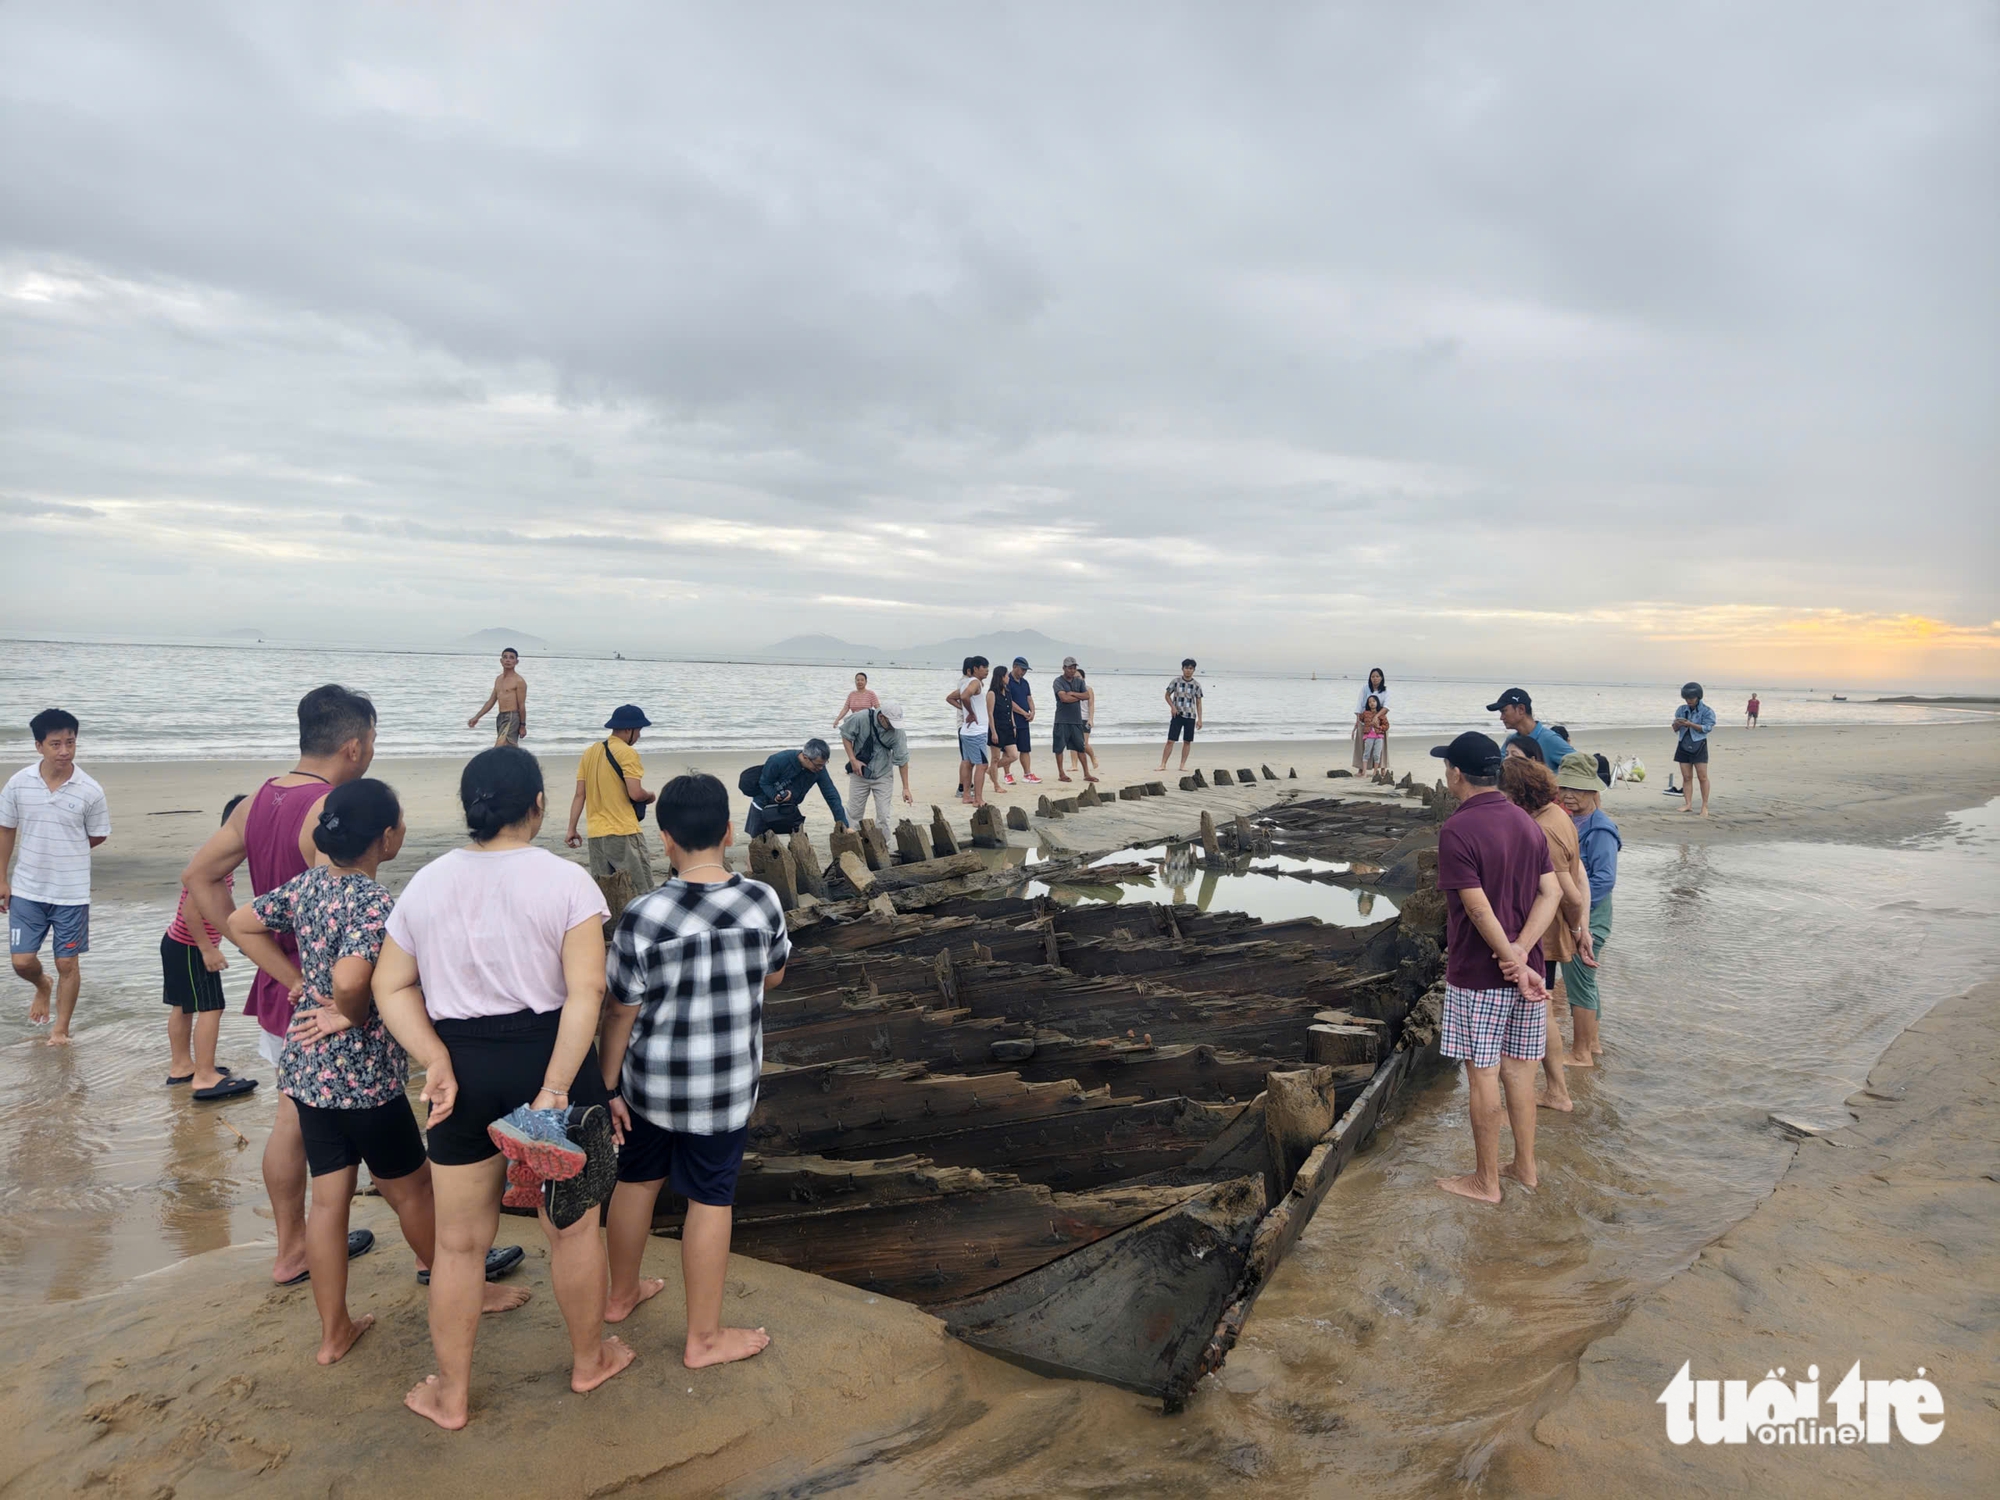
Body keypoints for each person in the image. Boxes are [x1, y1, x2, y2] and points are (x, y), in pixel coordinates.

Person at [227, 779, 529, 1365]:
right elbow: (349, 979)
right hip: (361, 1077)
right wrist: (347, 1012)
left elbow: (241, 923)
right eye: (401, 822)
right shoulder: (373, 905)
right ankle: (470, 1286)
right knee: (411, 1187)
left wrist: (292, 982)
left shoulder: (310, 885)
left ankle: (333, 1332)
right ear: (386, 839)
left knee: (329, 1200)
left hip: (307, 1071)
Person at [373, 747, 631, 1430]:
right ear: (538, 807)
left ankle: (452, 1396)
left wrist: (434, 1059)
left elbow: (389, 985)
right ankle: (589, 1361)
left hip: (461, 1068)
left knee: (459, 1244)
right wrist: (552, 1089)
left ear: (470, 809)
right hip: (553, 1061)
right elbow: (587, 992)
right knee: (573, 1232)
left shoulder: (425, 883)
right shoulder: (566, 881)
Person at [183, 684, 379, 1285]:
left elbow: (200, 877)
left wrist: (266, 962)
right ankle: (304, 1250)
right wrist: (303, 977)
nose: (371, 751)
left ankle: (296, 1243)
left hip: (282, 991)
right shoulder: (332, 808)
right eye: (371, 740)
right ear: (352, 746)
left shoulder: (259, 798)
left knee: (291, 1114)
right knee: (316, 1120)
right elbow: (342, 907)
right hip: (322, 996)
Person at [600, 773, 790, 1367]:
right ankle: (703, 1338)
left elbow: (619, 1012)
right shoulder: (762, 900)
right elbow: (775, 974)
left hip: (650, 1084)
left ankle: (620, 1293)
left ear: (665, 841)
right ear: (729, 832)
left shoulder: (642, 914)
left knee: (636, 1182)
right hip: (724, 1088)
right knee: (710, 1197)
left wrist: (608, 1086)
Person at [1428, 731, 1561, 1205]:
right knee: (1521, 1071)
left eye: (1447, 767)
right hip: (1528, 973)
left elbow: (1478, 909)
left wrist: (1511, 959)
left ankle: (1487, 1181)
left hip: (1482, 974)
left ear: (1457, 774)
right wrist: (1525, 956)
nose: (1447, 774)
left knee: (1483, 1074)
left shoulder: (1457, 830)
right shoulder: (1527, 823)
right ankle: (1525, 1168)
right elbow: (1552, 894)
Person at [2, 709, 111, 1045]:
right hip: (27, 888)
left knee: (67, 962)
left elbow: (97, 835)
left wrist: (67, 853)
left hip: (71, 893)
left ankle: (60, 1029)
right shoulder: (20, 783)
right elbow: (6, 829)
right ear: (39, 746)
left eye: (70, 742)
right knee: (22, 962)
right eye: (55, 744)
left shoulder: (90, 790)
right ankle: (41, 986)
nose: (64, 750)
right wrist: (2, 879)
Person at [1498, 757, 1590, 1113]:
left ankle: (1555, 1091)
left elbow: (1570, 892)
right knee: (1545, 1009)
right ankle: (1556, 1090)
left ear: (1516, 794)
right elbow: (1578, 873)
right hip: (1550, 930)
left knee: (1541, 1012)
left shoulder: (1543, 831)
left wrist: (1577, 928)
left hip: (1545, 933)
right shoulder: (1555, 816)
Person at [163, 794, 257, 1098]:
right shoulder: (219, 864)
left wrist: (240, 942)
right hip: (191, 947)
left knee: (184, 1006)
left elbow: (217, 912)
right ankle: (204, 1075)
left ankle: (182, 1066)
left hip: (175, 942)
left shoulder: (211, 855)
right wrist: (207, 949)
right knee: (211, 1007)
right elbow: (193, 910)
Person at [1555, 752, 1620, 1063]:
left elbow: (1605, 879)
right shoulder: (1569, 821)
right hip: (1576, 913)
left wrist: (1574, 905)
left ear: (1593, 791)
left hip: (1590, 916)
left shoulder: (1600, 829)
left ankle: (1581, 1053)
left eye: (1577, 789)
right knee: (1585, 981)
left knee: (1579, 981)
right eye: (1564, 787)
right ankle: (1593, 1043)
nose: (1569, 794)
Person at [565, 705, 657, 891]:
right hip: (622, 830)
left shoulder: (590, 753)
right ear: (628, 730)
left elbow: (579, 795)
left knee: (606, 892)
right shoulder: (627, 752)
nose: (639, 736)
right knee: (641, 888)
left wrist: (572, 829)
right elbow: (635, 793)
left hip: (596, 834)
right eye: (638, 731)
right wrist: (649, 796)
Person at [745, 740, 850, 836]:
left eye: (824, 764)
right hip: (763, 804)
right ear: (805, 757)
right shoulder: (778, 760)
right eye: (818, 765)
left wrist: (843, 824)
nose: (821, 768)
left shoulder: (819, 769)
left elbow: (831, 795)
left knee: (799, 840)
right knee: (759, 844)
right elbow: (764, 783)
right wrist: (775, 796)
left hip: (789, 805)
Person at [840, 700, 913, 832]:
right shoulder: (860, 718)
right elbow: (845, 735)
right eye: (890, 723)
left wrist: (906, 788)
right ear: (881, 717)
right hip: (859, 774)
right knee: (853, 814)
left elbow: (902, 760)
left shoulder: (898, 733)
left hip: (883, 775)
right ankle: (851, 843)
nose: (893, 727)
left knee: (884, 816)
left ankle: (883, 846)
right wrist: (852, 760)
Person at [1486, 688, 1575, 772]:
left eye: (1504, 711)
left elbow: (1581, 765)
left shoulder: (1549, 739)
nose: (1501, 718)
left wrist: (1557, 783)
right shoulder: (1511, 740)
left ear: (1521, 709)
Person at [948, 658, 991, 807]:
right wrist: (971, 713)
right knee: (982, 765)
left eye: (987, 667)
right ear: (975, 668)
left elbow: (951, 698)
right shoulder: (975, 682)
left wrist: (966, 711)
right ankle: (978, 799)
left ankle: (966, 795)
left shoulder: (965, 682)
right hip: (976, 732)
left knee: (967, 763)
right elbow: (965, 696)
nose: (987, 670)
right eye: (984, 667)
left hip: (966, 731)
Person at [467, 648, 528, 747]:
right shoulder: (499, 679)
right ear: (501, 661)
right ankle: (518, 762)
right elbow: (491, 701)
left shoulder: (519, 681)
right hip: (501, 716)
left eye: (511, 658)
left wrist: (523, 725)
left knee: (501, 747)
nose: (508, 660)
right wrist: (477, 717)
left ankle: (519, 761)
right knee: (508, 748)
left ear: (516, 662)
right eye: (505, 657)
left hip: (512, 717)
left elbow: (521, 705)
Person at [1672, 682, 1717, 815]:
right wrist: (1678, 724)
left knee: (1702, 777)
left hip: (1699, 744)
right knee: (1686, 777)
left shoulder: (1707, 711)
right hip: (1683, 743)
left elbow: (1707, 728)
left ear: (1698, 697)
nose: (1688, 701)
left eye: (1691, 698)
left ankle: (1704, 806)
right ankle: (1688, 804)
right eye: (1686, 698)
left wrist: (1690, 724)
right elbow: (1674, 728)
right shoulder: (1681, 709)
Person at [1052, 657, 1096, 783]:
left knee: (1080, 747)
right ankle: (1061, 773)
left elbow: (1087, 695)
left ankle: (1086, 773)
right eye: (1070, 668)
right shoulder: (1058, 681)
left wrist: (1072, 693)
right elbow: (1064, 698)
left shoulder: (1079, 682)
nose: (1072, 670)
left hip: (1076, 720)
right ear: (1064, 668)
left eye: (1074, 668)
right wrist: (1078, 696)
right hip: (1062, 720)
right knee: (1059, 747)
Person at [1158, 659, 1204, 772]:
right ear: (1182, 668)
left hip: (1190, 716)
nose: (1188, 670)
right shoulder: (1176, 681)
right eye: (1186, 668)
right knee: (1170, 740)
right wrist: (1172, 707)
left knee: (1187, 741)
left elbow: (1199, 702)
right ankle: (1163, 764)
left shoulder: (1196, 685)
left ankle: (1182, 765)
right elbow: (1167, 695)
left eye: (1191, 668)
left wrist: (1200, 719)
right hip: (1177, 715)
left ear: (1193, 670)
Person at [1004, 658, 1041, 784]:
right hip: (1011, 720)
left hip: (1024, 721)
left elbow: (1029, 698)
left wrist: (1032, 712)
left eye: (1025, 670)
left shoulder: (1025, 683)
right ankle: (1007, 774)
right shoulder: (1007, 680)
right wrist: (1023, 712)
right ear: (1015, 666)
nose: (1024, 672)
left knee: (1025, 748)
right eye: (1022, 669)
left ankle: (1027, 773)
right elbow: (1009, 702)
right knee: (1008, 749)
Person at [985, 664, 1020, 793]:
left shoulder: (1008, 692)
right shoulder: (992, 693)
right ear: (1001, 677)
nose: (1008, 677)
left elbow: (1010, 710)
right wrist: (993, 732)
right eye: (1006, 675)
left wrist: (1014, 725)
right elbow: (990, 713)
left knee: (1013, 755)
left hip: (1009, 727)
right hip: (997, 729)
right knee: (995, 758)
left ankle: (990, 770)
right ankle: (996, 785)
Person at [1350, 668, 1390, 774]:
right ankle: (1361, 768)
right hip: (1365, 719)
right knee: (1362, 745)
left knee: (1380, 745)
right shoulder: (1365, 689)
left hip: (1380, 720)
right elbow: (1359, 705)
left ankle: (1382, 768)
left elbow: (1386, 707)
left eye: (1377, 676)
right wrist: (1357, 721)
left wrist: (1376, 717)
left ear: (1381, 678)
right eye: (1373, 676)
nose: (1375, 678)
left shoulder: (1385, 691)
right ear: (1370, 678)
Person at [1359, 695, 1389, 776]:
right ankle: (1364, 772)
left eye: (1374, 701)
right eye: (1369, 702)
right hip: (1369, 736)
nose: (1372, 703)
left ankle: (1375, 773)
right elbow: (1360, 718)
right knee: (1366, 754)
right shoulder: (1365, 713)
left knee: (1377, 755)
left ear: (1377, 702)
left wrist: (1379, 727)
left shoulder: (1381, 714)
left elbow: (1386, 726)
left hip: (1379, 736)